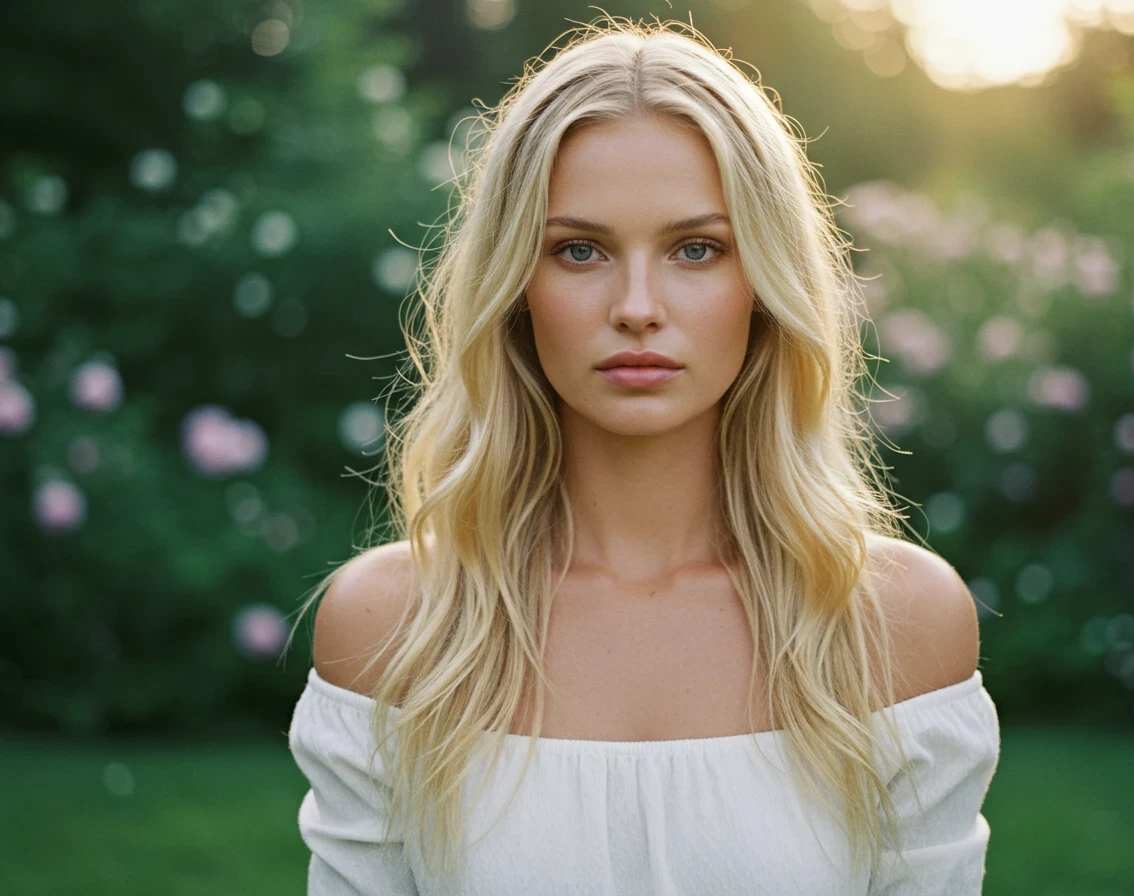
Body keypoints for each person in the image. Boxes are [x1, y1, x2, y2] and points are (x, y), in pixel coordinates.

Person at [287, 14, 999, 895]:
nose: (635, 305)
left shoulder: (898, 625)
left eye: (695, 249)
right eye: (579, 250)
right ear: (515, 286)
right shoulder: (395, 627)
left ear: (764, 286)